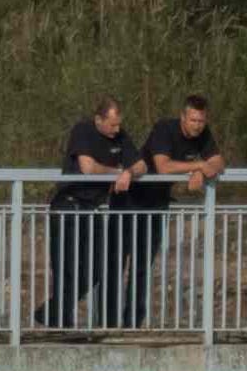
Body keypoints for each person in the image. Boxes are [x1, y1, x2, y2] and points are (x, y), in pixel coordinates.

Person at [119, 95, 226, 332]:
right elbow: (163, 166)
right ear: (183, 117)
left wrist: (203, 171)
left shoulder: (204, 134)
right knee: (116, 262)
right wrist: (198, 166)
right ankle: (108, 320)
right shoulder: (164, 129)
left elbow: (218, 162)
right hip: (130, 200)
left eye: (201, 120)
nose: (198, 125)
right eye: (193, 120)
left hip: (157, 203)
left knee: (142, 265)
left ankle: (131, 324)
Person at [51, 96, 136, 327]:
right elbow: (87, 167)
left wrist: (128, 172)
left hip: (94, 209)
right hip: (68, 206)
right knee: (67, 267)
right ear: (99, 119)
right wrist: (115, 171)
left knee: (99, 267)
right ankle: (61, 323)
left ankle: (50, 313)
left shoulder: (121, 135)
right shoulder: (83, 130)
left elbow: (141, 164)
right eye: (112, 124)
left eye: (119, 124)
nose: (116, 129)